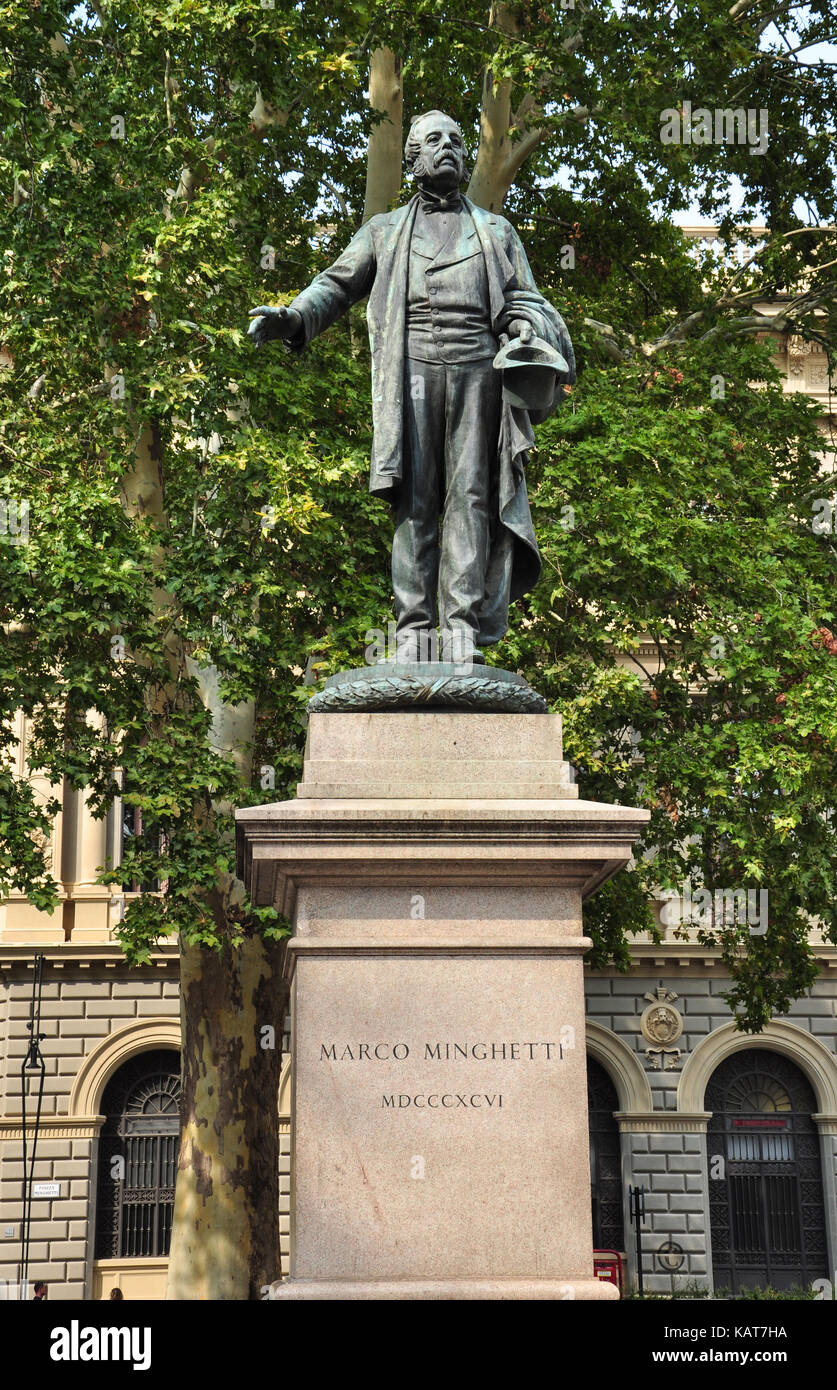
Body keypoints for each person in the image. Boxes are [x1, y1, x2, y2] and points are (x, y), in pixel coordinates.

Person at [249, 110, 574, 664]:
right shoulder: (384, 230)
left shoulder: (496, 232)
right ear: (412, 159)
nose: (447, 147)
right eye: (434, 140)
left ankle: (461, 629)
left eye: (456, 140)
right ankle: (413, 630)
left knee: (471, 496)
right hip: (412, 374)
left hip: (480, 376)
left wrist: (524, 325)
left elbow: (529, 300)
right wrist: (295, 317)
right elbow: (336, 283)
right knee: (415, 499)